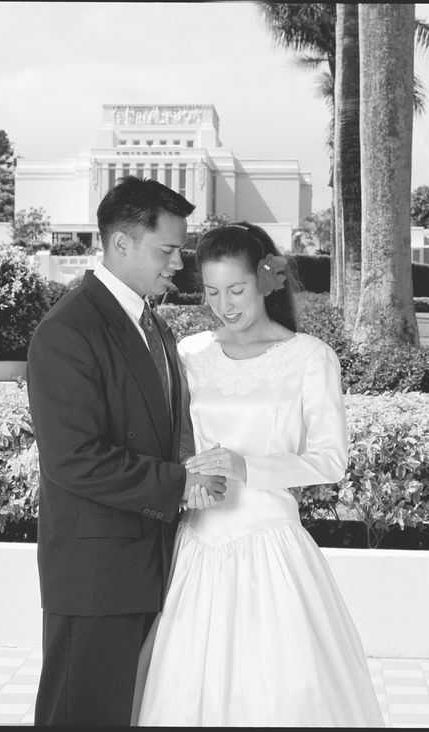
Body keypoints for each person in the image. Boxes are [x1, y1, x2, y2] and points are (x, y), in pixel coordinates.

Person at [135, 222, 385, 727]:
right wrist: (189, 477)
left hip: (272, 548)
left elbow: (330, 460)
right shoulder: (190, 354)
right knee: (185, 688)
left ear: (265, 282)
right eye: (210, 291)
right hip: (196, 547)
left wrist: (246, 466)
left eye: (236, 289)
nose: (224, 304)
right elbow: (174, 441)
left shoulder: (310, 358)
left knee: (281, 690)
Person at [27, 176, 226, 726]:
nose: (178, 264)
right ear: (120, 243)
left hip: (153, 564)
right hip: (96, 575)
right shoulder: (68, 329)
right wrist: (179, 483)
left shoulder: (152, 323)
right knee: (81, 716)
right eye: (167, 250)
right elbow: (73, 458)